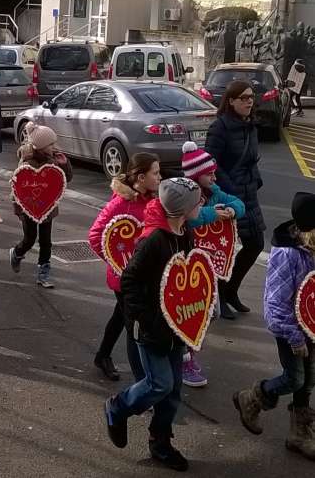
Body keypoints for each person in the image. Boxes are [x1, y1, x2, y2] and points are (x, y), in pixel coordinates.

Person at [105, 177, 202, 472]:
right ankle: (118, 407)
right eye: (198, 201)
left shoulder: (185, 234)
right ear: (183, 209)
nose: (203, 204)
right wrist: (144, 320)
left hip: (175, 326)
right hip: (151, 328)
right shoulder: (154, 241)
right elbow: (130, 281)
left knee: (172, 391)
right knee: (159, 383)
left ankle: (160, 442)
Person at [233, 192, 315, 461]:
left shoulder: (311, 249)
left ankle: (298, 433)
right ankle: (253, 397)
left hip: (311, 326)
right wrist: (294, 335)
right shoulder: (287, 255)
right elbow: (276, 303)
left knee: (309, 379)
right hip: (291, 328)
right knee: (295, 378)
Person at [88, 153, 161, 381]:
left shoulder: (152, 200)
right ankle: (143, 383)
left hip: (144, 276)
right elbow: (95, 236)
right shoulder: (120, 204)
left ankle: (102, 355)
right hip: (124, 279)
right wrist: (117, 262)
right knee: (134, 327)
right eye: (156, 173)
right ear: (141, 177)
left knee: (121, 317)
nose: (160, 177)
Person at [180, 142, 246, 388]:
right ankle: (185, 359)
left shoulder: (215, 192)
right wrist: (212, 214)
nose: (215, 176)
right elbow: (186, 220)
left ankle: (187, 354)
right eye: (210, 173)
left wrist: (230, 209)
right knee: (193, 312)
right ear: (197, 175)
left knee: (211, 313)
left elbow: (239, 204)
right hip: (187, 265)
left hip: (209, 266)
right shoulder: (185, 194)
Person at [205, 80, 265, 319]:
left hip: (249, 193)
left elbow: (252, 159)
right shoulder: (220, 127)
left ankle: (231, 291)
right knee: (223, 250)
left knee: (256, 244)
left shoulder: (249, 125)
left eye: (251, 96)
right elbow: (211, 163)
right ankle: (218, 297)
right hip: (228, 197)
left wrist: (256, 181)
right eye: (243, 97)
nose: (249, 101)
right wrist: (230, 191)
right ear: (230, 101)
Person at [9, 122, 72, 288]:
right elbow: (18, 187)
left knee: (46, 241)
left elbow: (66, 179)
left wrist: (64, 164)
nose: (54, 146)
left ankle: (43, 273)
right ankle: (17, 253)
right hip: (28, 209)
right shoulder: (26, 164)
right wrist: (18, 208)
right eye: (50, 144)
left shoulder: (53, 159)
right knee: (30, 239)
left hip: (47, 208)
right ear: (41, 146)